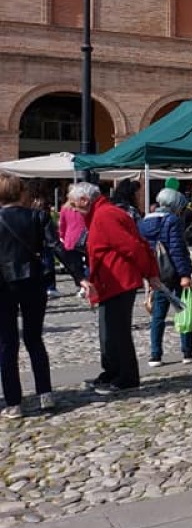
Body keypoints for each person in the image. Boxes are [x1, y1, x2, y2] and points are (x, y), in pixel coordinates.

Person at [0, 173, 81, 418]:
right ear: (21, 192)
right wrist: (79, 276)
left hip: (3, 285)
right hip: (34, 282)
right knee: (35, 339)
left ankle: (14, 402)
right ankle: (45, 393)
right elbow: (57, 247)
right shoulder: (38, 216)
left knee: (6, 344)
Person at [71, 181, 159, 395]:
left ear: (84, 200)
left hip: (119, 281)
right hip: (110, 282)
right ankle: (112, 371)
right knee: (107, 332)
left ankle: (127, 377)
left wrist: (150, 273)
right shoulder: (102, 214)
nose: (72, 208)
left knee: (117, 332)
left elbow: (132, 247)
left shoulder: (105, 215)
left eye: (74, 203)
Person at [138, 188, 192, 367]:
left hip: (156, 273)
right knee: (183, 311)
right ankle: (187, 352)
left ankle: (155, 355)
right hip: (174, 273)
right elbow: (176, 250)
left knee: (157, 316)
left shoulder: (144, 221)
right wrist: (185, 274)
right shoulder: (172, 221)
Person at [57, 198, 88, 284]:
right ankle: (86, 281)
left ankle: (81, 283)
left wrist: (61, 236)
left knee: (76, 264)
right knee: (89, 263)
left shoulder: (64, 208)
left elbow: (62, 225)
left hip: (70, 239)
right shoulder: (84, 207)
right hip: (84, 237)